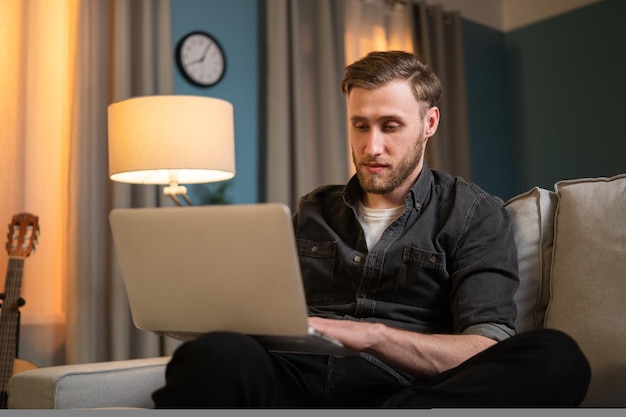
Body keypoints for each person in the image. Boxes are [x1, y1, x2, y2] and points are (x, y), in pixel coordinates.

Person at [152, 51, 590, 408]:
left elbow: (484, 346)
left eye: (390, 126)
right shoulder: (312, 210)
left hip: (399, 393)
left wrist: (374, 337)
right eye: (360, 125)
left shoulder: (473, 213)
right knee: (212, 355)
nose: (371, 146)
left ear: (429, 123)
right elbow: (256, 307)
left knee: (556, 358)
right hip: (294, 382)